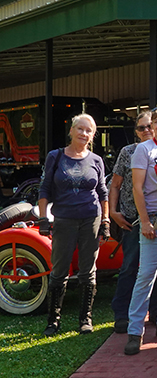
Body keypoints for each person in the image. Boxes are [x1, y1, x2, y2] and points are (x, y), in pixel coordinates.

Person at [38, 114, 110, 336]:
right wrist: (43, 218)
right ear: (71, 130)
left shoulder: (96, 160)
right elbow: (45, 189)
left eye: (89, 130)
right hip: (64, 219)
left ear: (93, 135)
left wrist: (105, 220)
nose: (84, 133)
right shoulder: (56, 156)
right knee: (59, 270)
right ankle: (53, 321)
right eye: (80, 129)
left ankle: (85, 319)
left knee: (88, 271)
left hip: (91, 218)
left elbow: (103, 193)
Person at [124, 106, 157, 355]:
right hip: (153, 220)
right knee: (146, 274)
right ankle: (135, 331)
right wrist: (144, 221)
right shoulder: (144, 150)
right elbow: (137, 188)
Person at [109, 111, 154, 334]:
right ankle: (121, 314)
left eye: (150, 126)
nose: (146, 131)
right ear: (136, 132)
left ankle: (156, 314)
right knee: (130, 267)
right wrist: (113, 211)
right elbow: (115, 184)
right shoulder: (128, 152)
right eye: (141, 128)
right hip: (133, 220)